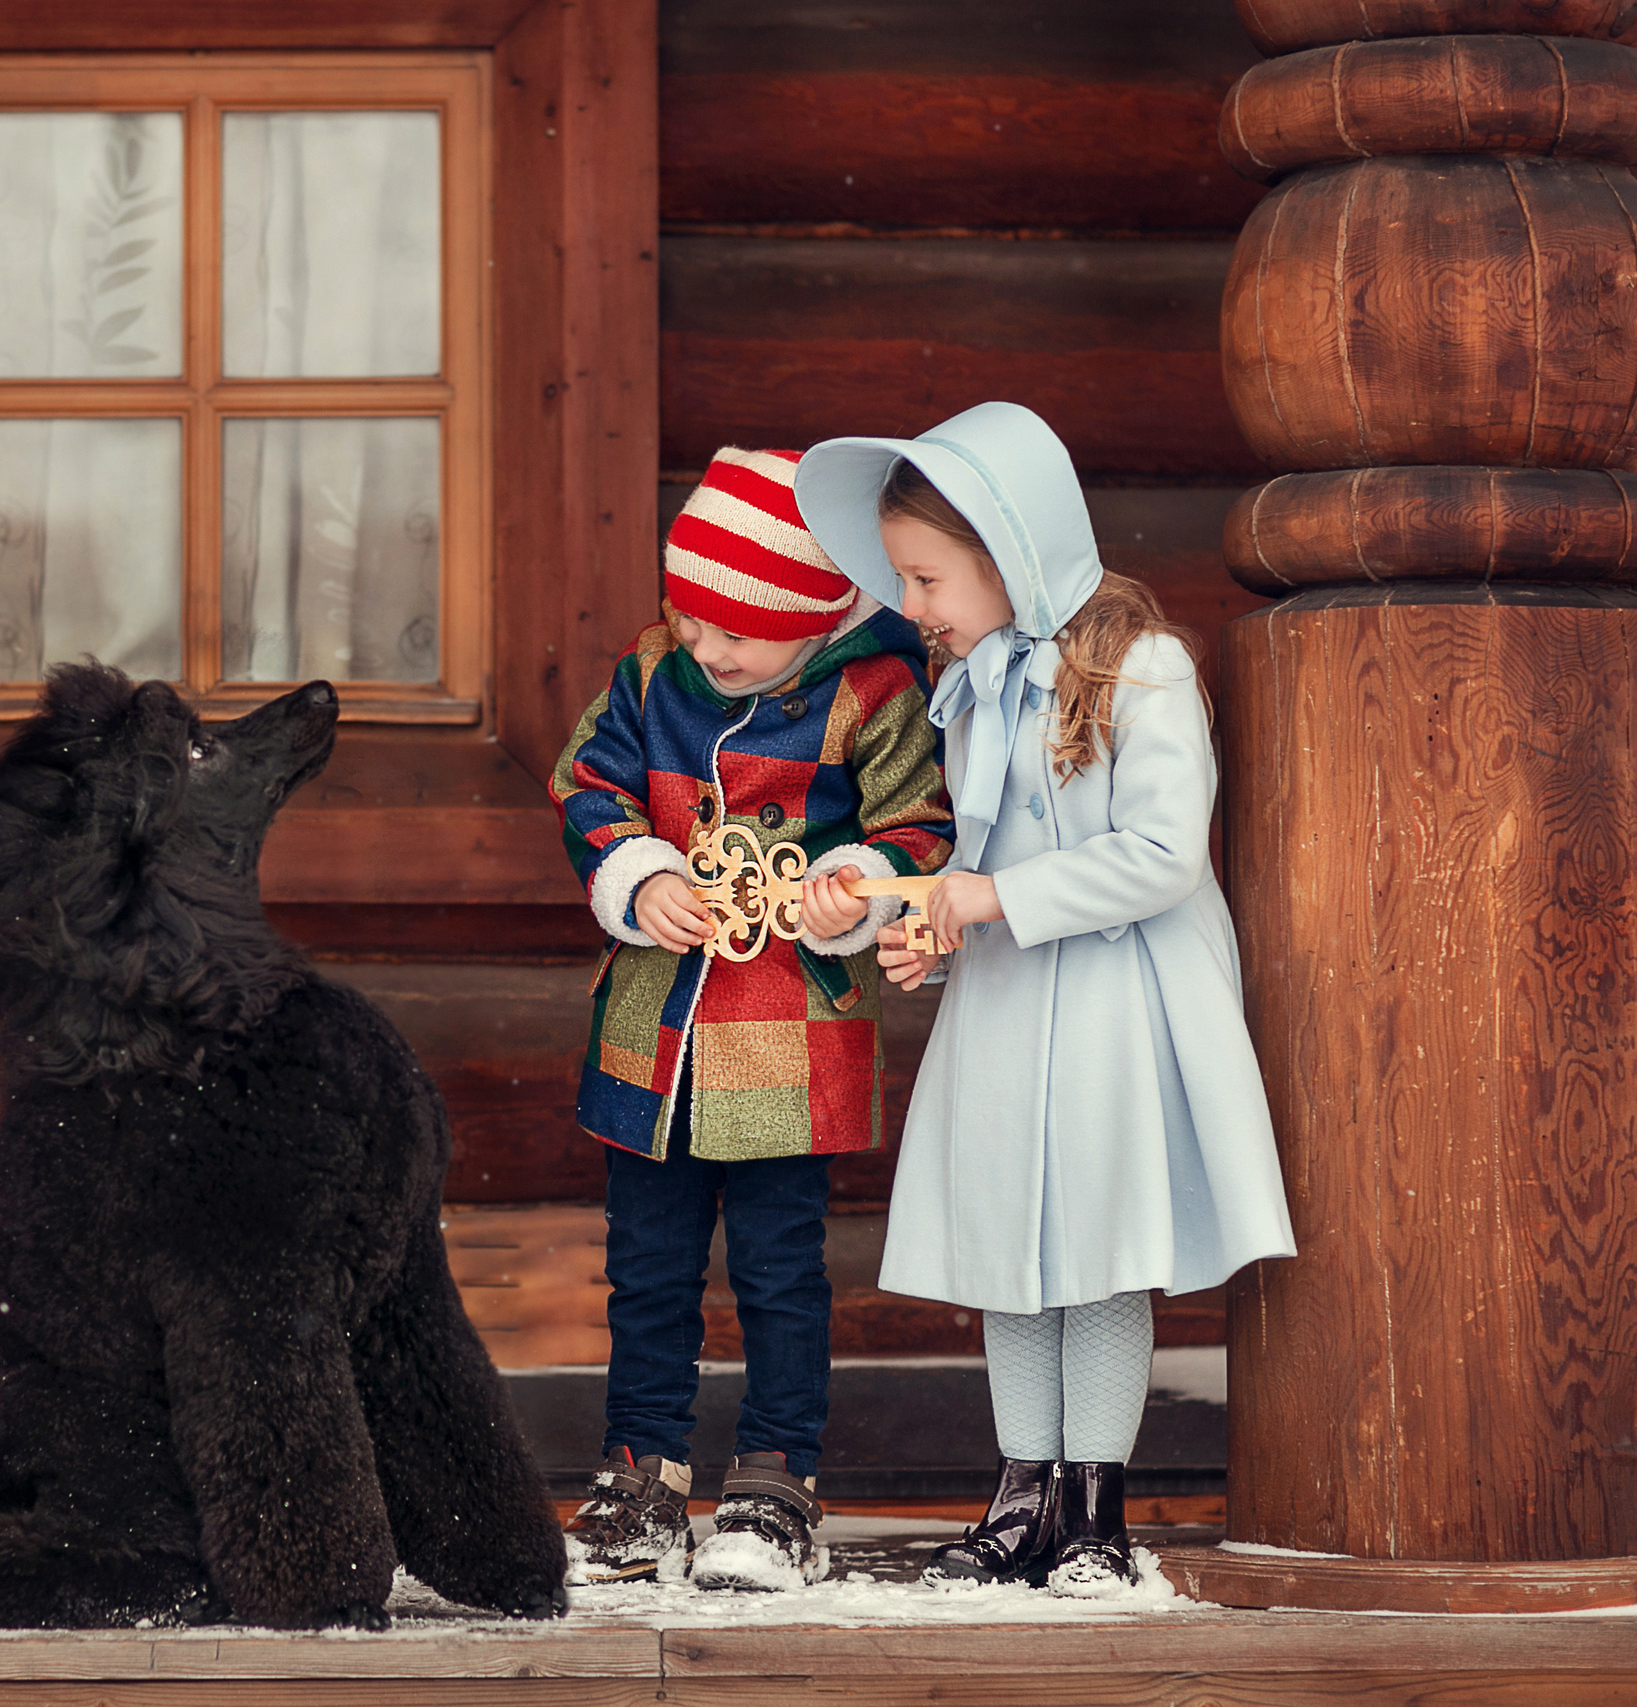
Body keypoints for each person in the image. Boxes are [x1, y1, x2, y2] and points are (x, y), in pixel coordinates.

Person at [794, 403, 1297, 1595]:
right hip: (1014, 1007)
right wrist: (912, 920)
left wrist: (985, 900)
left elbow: (1161, 856)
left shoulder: (1142, 667)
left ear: (1010, 550)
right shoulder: (972, 686)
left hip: (1119, 1007)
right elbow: (972, 859)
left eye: (925, 577)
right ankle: (1021, 1502)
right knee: (1008, 1253)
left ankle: (1093, 1517)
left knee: (1097, 1255)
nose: (909, 604)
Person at [549, 447, 954, 1590]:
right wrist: (634, 872)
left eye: (739, 631)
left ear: (815, 617)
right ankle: (640, 1478)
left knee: (779, 1271)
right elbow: (587, 782)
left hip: (789, 1026)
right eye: (692, 618)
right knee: (647, 1268)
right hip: (656, 1034)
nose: (709, 647)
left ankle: (777, 1486)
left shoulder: (871, 693)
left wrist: (855, 887)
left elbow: (919, 827)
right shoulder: (650, 676)